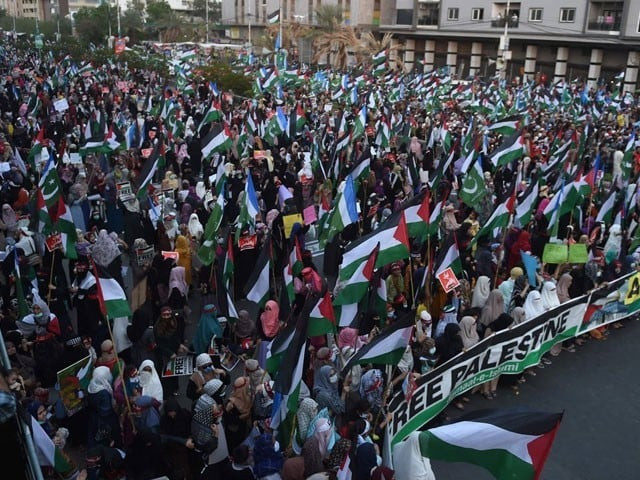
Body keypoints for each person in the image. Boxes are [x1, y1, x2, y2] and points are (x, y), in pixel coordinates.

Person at [86, 366, 120, 447]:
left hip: (93, 417)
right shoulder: (103, 393)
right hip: (103, 420)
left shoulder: (92, 385)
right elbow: (105, 411)